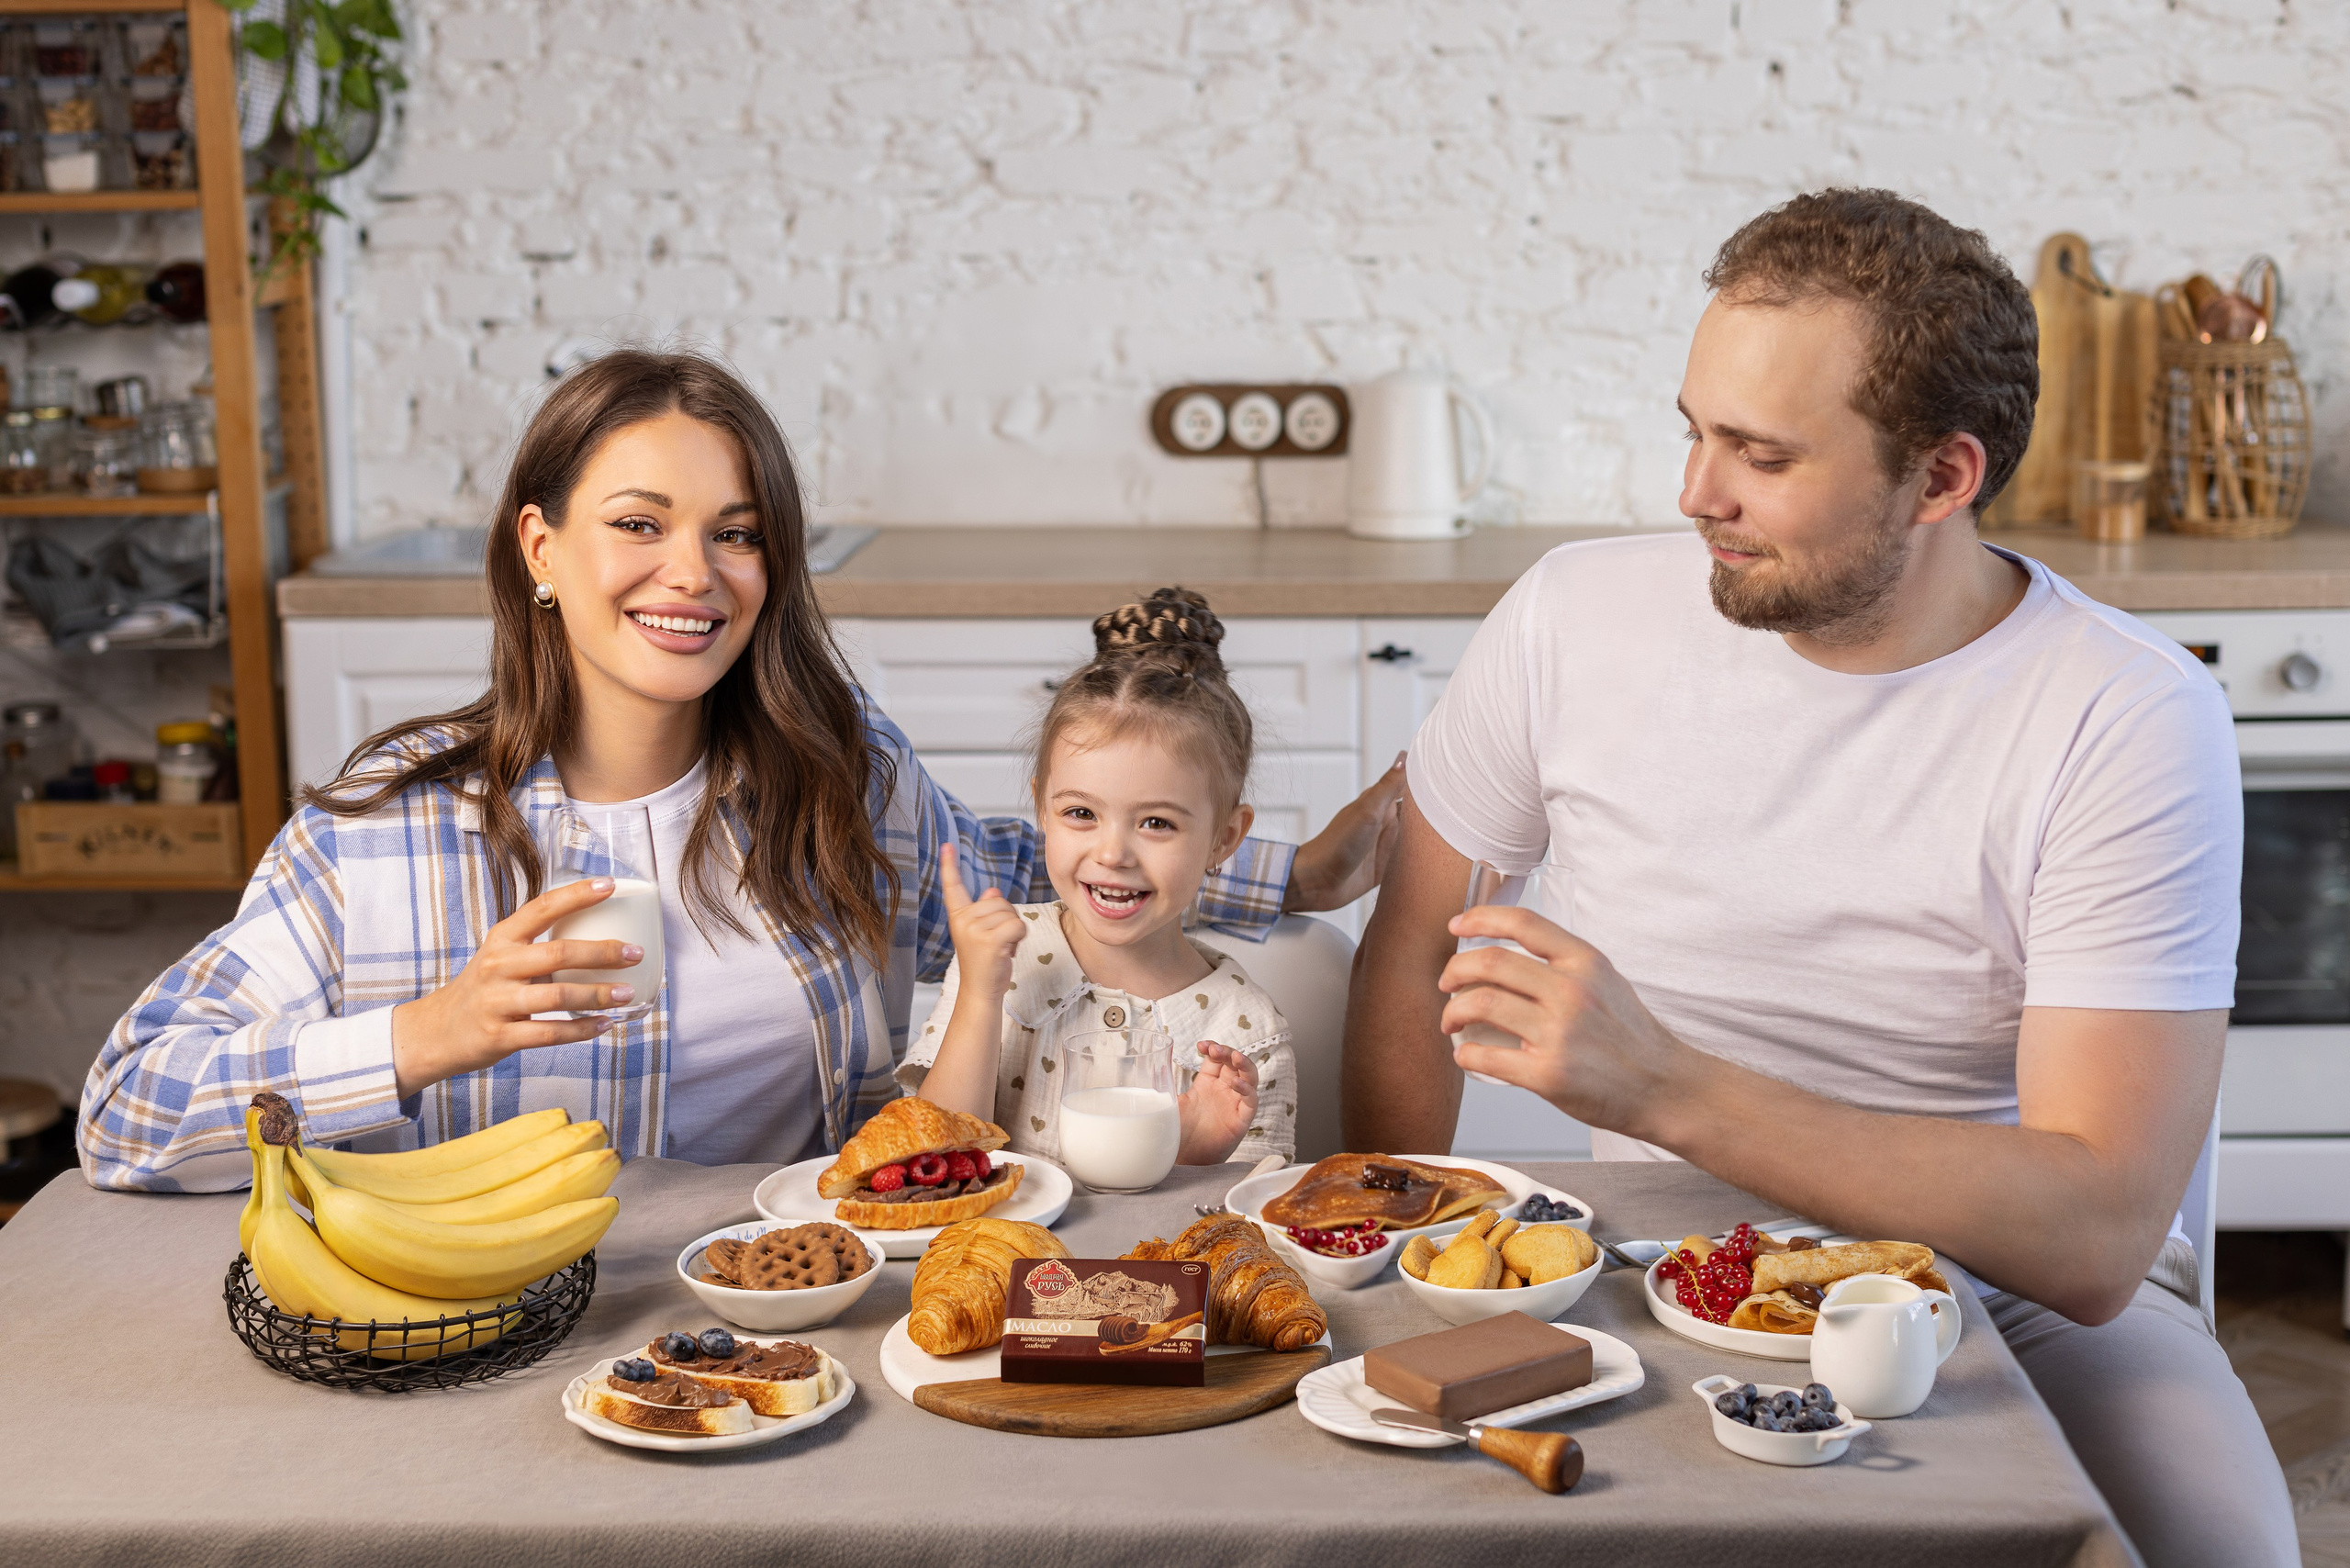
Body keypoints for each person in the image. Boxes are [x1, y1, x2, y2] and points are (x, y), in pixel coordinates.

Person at [1344, 190, 2295, 1566]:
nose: (1694, 495)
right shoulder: (1572, 616)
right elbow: (1417, 928)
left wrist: (1662, 1087)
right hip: (1652, 1252)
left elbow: (2094, 1233)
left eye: (1761, 455)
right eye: (1694, 430)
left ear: (1943, 478)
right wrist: (1392, 1253)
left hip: (2009, 1288)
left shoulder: (2124, 715)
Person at [79, 350, 1401, 1192]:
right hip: (474, 1349)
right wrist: (431, 1036)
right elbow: (129, 1111)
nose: (691, 574)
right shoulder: (384, 835)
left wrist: (1305, 870)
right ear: (540, 549)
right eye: (637, 526)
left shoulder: (837, 781)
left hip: (795, 1328)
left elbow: (1029, 868)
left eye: (735, 534)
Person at [903, 588, 1294, 1167]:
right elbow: (929, 1161)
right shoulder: (999, 964)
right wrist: (982, 995)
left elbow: (1243, 1241)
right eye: (1081, 814)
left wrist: (1190, 1156)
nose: (1112, 854)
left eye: (1156, 823)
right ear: (1042, 807)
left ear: (1225, 838)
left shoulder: (1248, 1034)